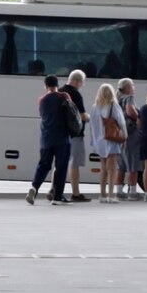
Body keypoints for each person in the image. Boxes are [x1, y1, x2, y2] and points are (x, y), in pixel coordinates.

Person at [25, 75, 72, 206]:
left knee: (44, 164)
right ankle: (57, 197)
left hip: (46, 138)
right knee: (60, 167)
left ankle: (34, 187)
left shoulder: (42, 100)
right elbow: (71, 111)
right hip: (62, 138)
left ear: (45, 86)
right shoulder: (64, 96)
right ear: (57, 84)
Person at [56, 69, 91, 202]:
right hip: (74, 134)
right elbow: (82, 116)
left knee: (59, 163)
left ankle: (54, 190)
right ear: (77, 81)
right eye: (81, 82)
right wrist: (88, 117)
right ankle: (76, 193)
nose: (81, 85)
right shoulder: (75, 94)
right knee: (74, 164)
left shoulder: (59, 92)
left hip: (60, 133)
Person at [89, 84, 126, 203]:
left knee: (103, 168)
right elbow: (121, 122)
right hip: (111, 140)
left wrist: (94, 141)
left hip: (100, 141)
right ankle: (111, 195)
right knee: (112, 169)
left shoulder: (95, 107)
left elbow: (92, 126)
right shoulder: (113, 106)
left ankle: (103, 194)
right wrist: (124, 136)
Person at [115, 78, 143, 201]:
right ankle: (132, 192)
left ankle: (119, 191)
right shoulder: (128, 98)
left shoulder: (117, 98)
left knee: (121, 164)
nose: (134, 88)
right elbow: (131, 111)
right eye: (132, 86)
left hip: (120, 133)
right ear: (128, 88)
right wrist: (138, 117)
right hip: (131, 133)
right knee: (133, 162)